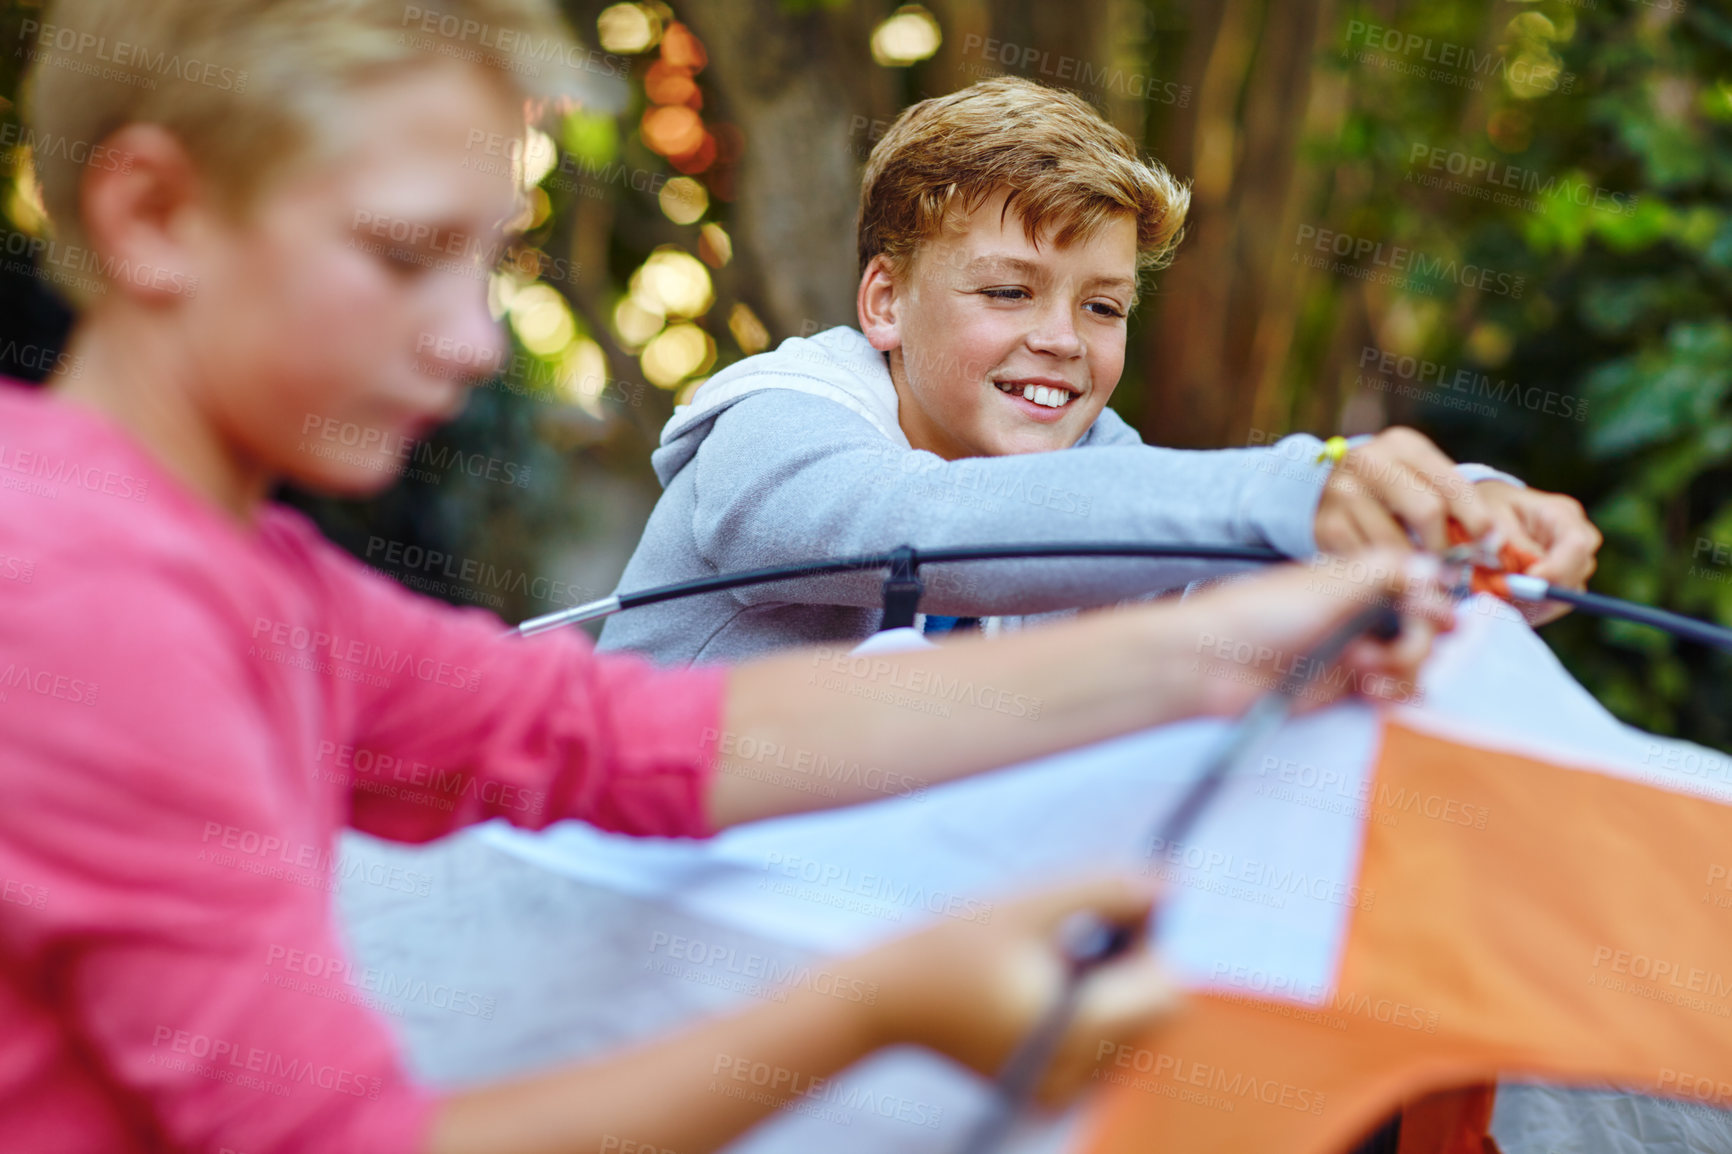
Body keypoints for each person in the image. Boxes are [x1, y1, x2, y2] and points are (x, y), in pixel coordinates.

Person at [0, 3, 1453, 1152]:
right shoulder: (84, 601)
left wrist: (1233, 638)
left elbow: (625, 736)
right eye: (403, 255)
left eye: (485, 264)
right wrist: (878, 1004)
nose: (475, 344)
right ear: (154, 217)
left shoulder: (235, 569)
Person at [597, 76, 1602, 666]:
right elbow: (930, 529)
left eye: (1102, 305)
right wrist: (1290, 483)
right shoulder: (775, 427)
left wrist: (1471, 520)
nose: (1062, 340)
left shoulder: (1095, 465)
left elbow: (1228, 545)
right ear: (884, 303)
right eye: (1007, 292)